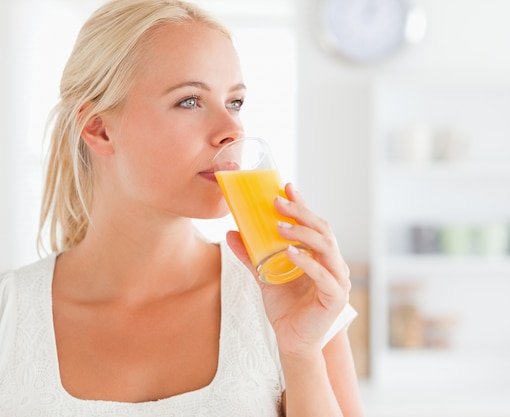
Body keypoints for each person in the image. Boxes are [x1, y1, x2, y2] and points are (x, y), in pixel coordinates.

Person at [0, 1, 364, 416]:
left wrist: (301, 354)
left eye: (235, 102)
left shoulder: (295, 300)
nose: (233, 130)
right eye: (190, 101)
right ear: (99, 128)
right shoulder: (9, 315)